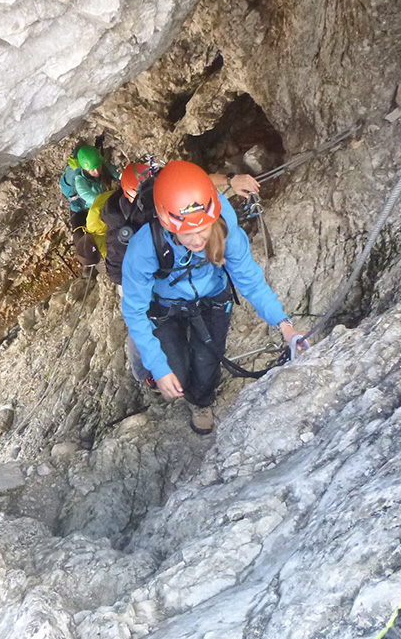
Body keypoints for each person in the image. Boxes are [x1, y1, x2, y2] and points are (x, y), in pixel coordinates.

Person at [120, 161, 302, 434]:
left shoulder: (223, 222)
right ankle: (158, 362)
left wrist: (285, 326)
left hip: (212, 298)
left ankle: (202, 403)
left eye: (203, 229)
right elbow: (135, 311)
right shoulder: (144, 247)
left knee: (207, 366)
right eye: (187, 233)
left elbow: (250, 280)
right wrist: (159, 368)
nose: (197, 240)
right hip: (165, 306)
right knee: (175, 374)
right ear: (168, 225)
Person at [105, 161, 264, 387]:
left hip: (177, 281)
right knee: (140, 322)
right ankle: (144, 373)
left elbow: (197, 184)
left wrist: (230, 180)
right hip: (140, 278)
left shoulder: (166, 188)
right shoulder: (122, 227)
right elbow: (120, 271)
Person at [59, 144, 116, 267]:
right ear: (85, 169)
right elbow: (91, 197)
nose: (97, 172)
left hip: (95, 207)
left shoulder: (102, 168)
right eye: (93, 170)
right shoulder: (79, 180)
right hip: (81, 211)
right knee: (81, 243)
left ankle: (97, 260)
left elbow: (116, 172)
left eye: (98, 167)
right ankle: (89, 263)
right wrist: (112, 196)